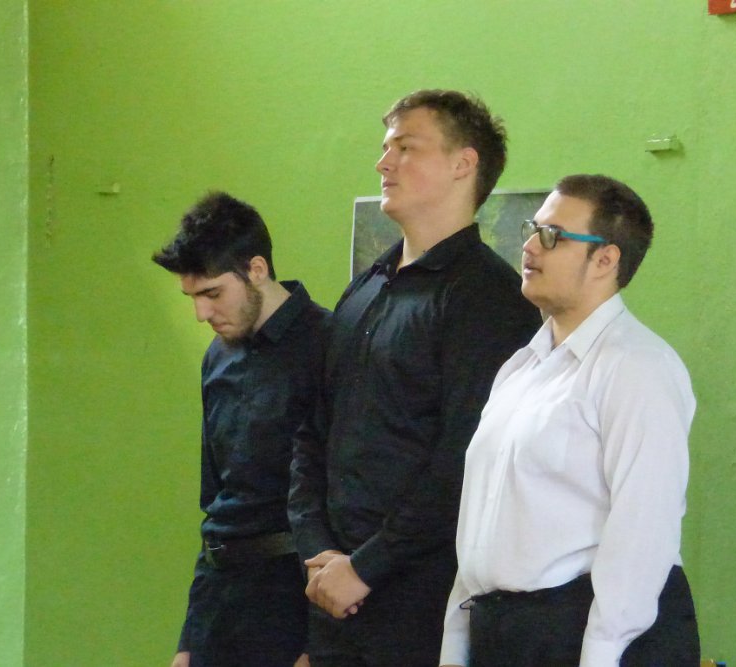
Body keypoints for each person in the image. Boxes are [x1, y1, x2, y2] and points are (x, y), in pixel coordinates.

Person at [288, 90, 542, 667]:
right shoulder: (366, 287)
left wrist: (366, 566)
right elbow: (312, 429)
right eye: (386, 148)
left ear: (463, 163)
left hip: (422, 603)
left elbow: (465, 460)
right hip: (331, 592)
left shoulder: (488, 298)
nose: (384, 163)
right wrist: (318, 551)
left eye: (406, 147)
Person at [439, 174, 700, 667]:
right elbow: (482, 522)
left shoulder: (637, 366)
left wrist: (602, 652)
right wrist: (457, 643)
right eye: (532, 229)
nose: (530, 246)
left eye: (553, 236)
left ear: (605, 260)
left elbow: (644, 525)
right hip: (505, 630)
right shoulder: (519, 369)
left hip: (588, 630)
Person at [153, 191, 330, 667]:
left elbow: (349, 503)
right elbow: (216, 502)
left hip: (293, 599)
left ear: (256, 269)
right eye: (193, 298)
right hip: (220, 600)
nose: (201, 314)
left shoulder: (329, 344)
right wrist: (190, 639)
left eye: (212, 294)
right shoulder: (217, 357)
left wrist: (320, 644)